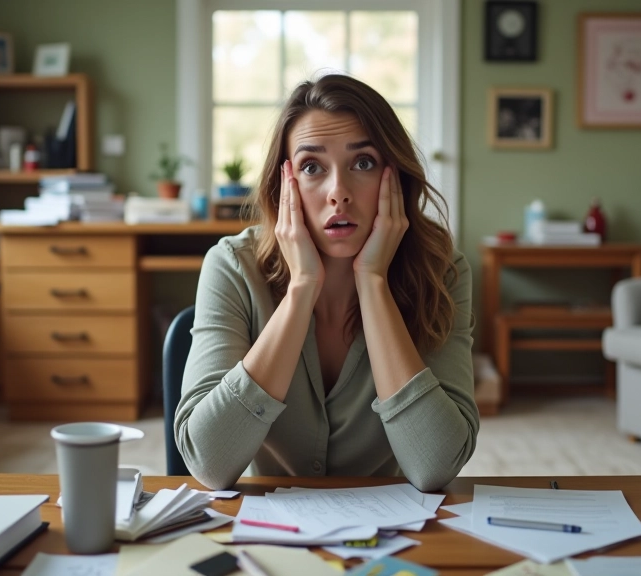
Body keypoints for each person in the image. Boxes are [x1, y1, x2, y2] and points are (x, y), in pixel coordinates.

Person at [175, 74, 479, 491]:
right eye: (312, 167)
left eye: (364, 163)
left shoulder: (442, 272)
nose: (339, 192)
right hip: (265, 533)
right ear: (284, 185)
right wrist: (301, 288)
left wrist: (372, 282)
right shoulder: (231, 266)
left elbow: (437, 466)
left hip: (396, 530)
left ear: (396, 178)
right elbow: (209, 463)